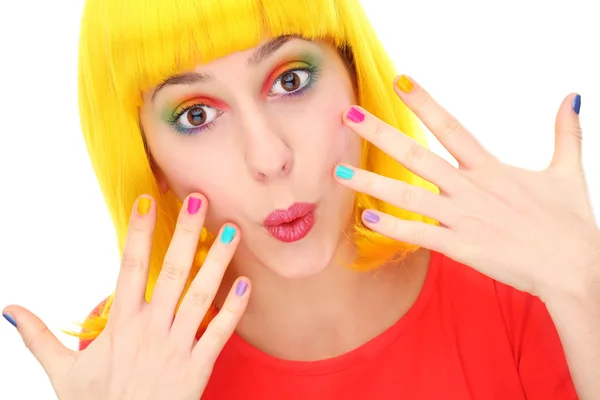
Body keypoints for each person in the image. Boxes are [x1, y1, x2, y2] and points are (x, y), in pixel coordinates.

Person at [2, 0, 599, 398]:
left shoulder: (525, 290)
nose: (268, 158)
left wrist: (589, 289)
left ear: (354, 76)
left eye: (290, 80)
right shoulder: (128, 363)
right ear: (147, 157)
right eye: (197, 114)